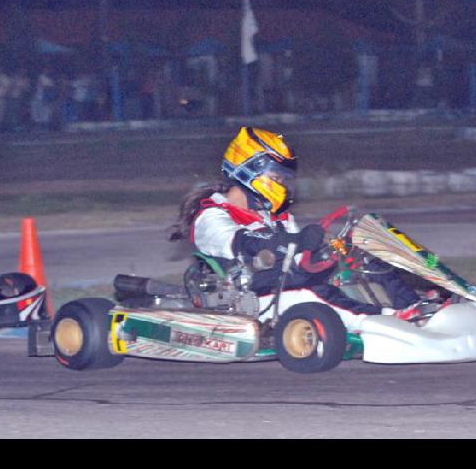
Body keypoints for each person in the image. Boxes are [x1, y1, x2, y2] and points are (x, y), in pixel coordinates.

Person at [168, 127, 437, 329]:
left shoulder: (274, 216)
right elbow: (244, 244)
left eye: (284, 179)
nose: (282, 185)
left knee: (362, 256)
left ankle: (416, 305)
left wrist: (330, 252)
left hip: (286, 283)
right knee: (312, 292)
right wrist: (295, 239)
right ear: (250, 171)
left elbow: (298, 261)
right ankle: (388, 322)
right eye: (276, 177)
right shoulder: (211, 215)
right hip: (253, 297)